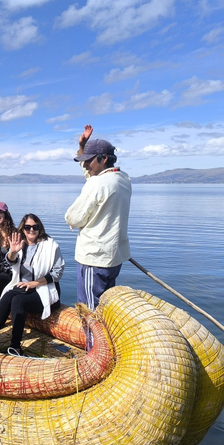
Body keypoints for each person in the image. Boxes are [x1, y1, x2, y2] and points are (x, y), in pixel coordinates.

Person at [64, 125, 131, 310]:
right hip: (113, 258)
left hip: (93, 260)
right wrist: (83, 147)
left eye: (89, 160)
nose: (85, 165)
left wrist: (74, 220)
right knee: (105, 309)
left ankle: (92, 340)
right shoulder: (123, 179)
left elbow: (72, 217)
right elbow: (94, 176)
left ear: (104, 159)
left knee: (89, 312)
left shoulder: (97, 184)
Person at [0, 214, 65, 356]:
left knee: (17, 301)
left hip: (45, 289)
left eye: (35, 227)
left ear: (40, 228)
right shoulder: (20, 244)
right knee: (7, 297)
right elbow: (10, 265)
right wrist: (13, 252)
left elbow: (58, 272)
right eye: (27, 227)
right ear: (23, 228)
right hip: (23, 287)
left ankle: (15, 347)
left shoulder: (50, 246)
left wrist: (35, 283)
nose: (31, 230)